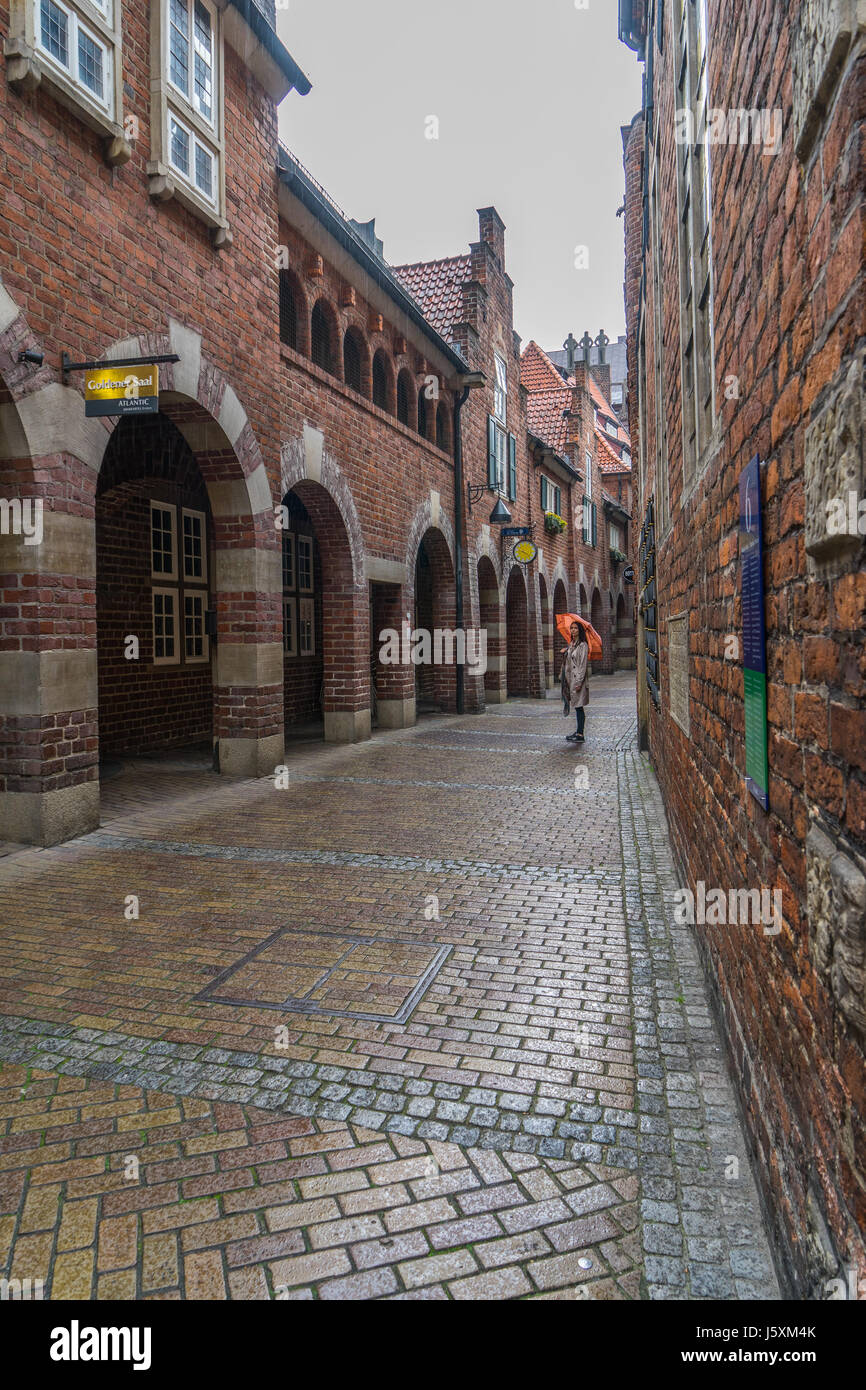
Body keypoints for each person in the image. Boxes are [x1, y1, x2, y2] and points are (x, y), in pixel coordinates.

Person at [561, 621, 589, 743]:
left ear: (580, 630)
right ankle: (578, 731)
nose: (573, 630)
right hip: (571, 680)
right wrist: (565, 652)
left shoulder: (583, 645)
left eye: (575, 628)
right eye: (571, 628)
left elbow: (582, 665)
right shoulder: (572, 644)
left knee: (579, 706)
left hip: (578, 680)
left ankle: (580, 733)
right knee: (577, 706)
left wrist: (578, 682)